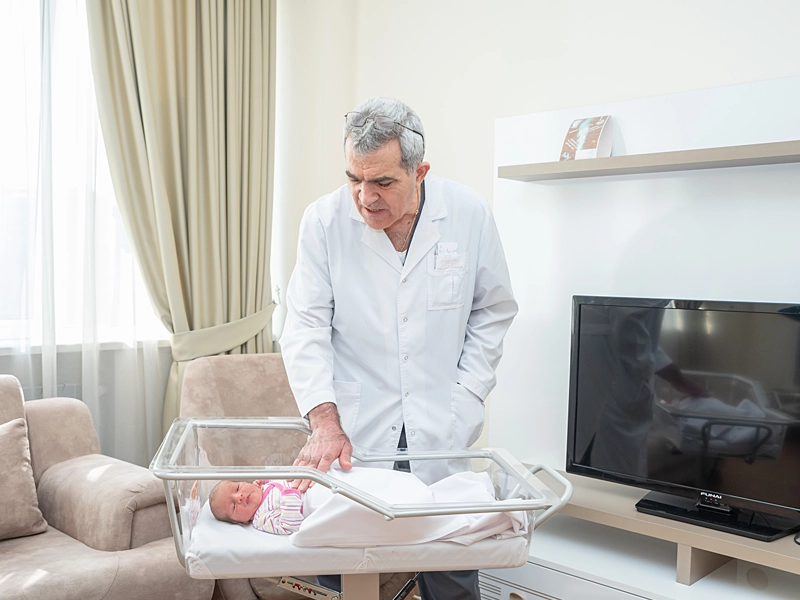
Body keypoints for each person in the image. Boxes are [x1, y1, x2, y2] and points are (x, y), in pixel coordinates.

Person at [280, 96, 518, 600]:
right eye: (354, 179)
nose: (365, 197)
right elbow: (303, 324)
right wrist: (324, 421)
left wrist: (468, 393)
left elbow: (494, 309)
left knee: (452, 563)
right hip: (356, 432)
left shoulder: (469, 214)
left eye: (382, 182)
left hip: (441, 421)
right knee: (343, 567)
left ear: (420, 171)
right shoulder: (323, 223)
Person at [209, 479, 305, 534]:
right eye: (234, 506)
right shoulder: (261, 518)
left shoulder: (263, 486)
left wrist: (266, 481)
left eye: (237, 488)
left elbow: (284, 478)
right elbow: (289, 527)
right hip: (309, 504)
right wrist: (289, 498)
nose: (239, 497)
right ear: (239, 522)